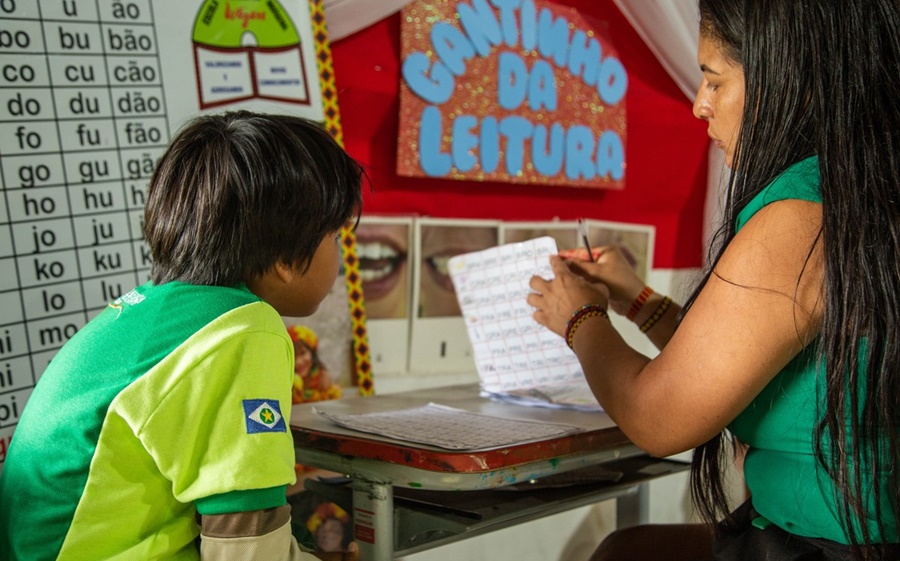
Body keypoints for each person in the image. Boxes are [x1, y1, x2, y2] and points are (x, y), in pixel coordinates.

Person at [529, 1, 900, 560]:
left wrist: (580, 319)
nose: (699, 105)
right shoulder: (863, 184)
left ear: (791, 80)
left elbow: (658, 418)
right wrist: (635, 298)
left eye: (715, 81)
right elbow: (736, 352)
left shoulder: (802, 215)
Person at [0, 111, 365, 561]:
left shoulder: (147, 311)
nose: (340, 254)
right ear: (285, 259)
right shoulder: (242, 329)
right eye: (335, 235)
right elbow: (248, 551)